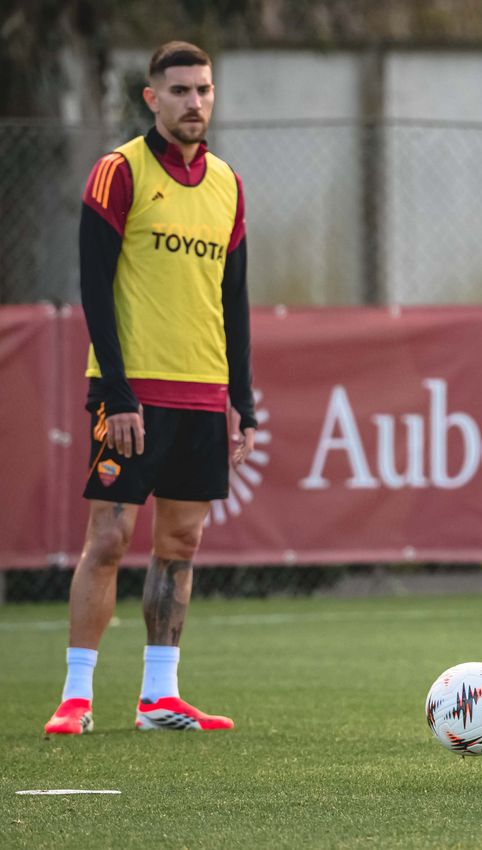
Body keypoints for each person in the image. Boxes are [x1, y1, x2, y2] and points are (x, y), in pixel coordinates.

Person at [43, 41, 256, 735]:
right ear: (151, 98)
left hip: (200, 394)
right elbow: (93, 288)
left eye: (204, 89)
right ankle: (77, 696)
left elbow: (235, 301)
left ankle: (158, 697)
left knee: (182, 545)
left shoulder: (227, 182)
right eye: (180, 91)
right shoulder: (118, 172)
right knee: (107, 538)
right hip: (129, 393)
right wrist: (118, 392)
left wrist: (243, 403)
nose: (194, 102)